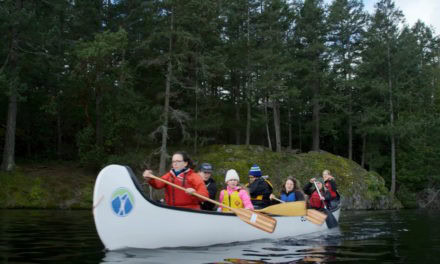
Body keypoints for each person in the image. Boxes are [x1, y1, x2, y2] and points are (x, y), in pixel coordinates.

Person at [143, 151, 209, 210]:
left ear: (185, 163)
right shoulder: (169, 175)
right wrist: (150, 178)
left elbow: (205, 195)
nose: (175, 164)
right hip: (172, 209)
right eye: (174, 161)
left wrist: (195, 193)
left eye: (178, 161)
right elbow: (158, 185)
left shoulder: (194, 176)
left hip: (190, 211)